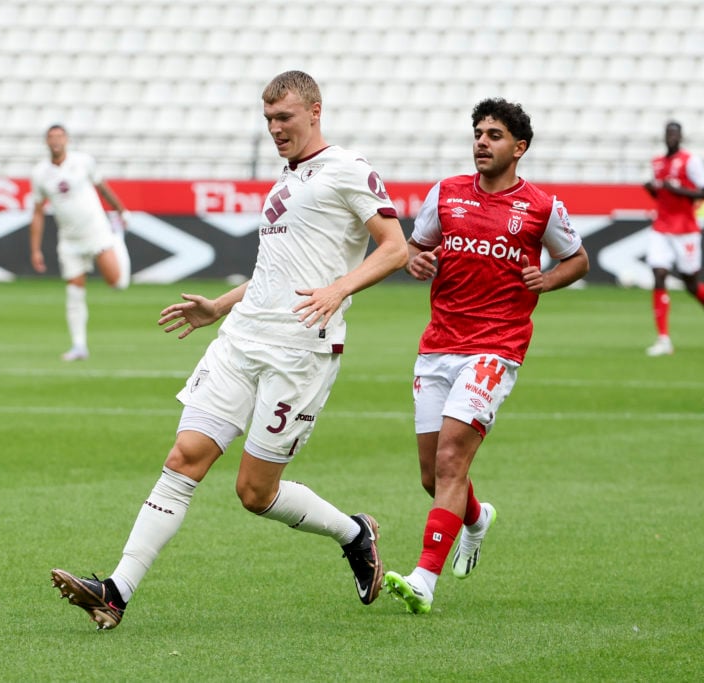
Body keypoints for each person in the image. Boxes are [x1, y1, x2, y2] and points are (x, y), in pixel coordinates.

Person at [50, 70, 408, 629]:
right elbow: (273, 275)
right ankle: (115, 591)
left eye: (284, 118)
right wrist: (219, 306)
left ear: (315, 111)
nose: (274, 129)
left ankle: (354, 532)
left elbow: (395, 248)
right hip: (240, 340)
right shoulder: (286, 181)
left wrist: (340, 288)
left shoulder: (348, 170)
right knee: (183, 459)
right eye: (267, 120)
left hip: (299, 351)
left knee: (253, 491)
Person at [383, 98, 589, 615]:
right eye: (478, 133)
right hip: (438, 346)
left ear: (518, 148)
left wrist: (549, 277)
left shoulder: (541, 206)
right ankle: (476, 520)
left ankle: (424, 580)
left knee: (453, 460)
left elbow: (577, 258)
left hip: (497, 347)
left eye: (494, 135)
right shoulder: (446, 193)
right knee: (433, 476)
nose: (481, 142)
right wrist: (417, 259)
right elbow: (415, 246)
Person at [29, 124, 132, 361]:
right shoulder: (40, 173)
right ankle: (79, 346)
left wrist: (120, 210)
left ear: (66, 140)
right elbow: (36, 212)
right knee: (74, 291)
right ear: (46, 142)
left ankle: (117, 237)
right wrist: (35, 249)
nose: (56, 141)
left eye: (60, 137)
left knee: (117, 284)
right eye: (51, 137)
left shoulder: (83, 162)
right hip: (69, 240)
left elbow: (102, 187)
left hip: (96, 233)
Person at [641, 120, 704, 357]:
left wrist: (677, 190)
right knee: (659, 273)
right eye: (668, 133)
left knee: (690, 282)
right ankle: (663, 339)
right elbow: (661, 194)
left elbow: (702, 191)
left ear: (681, 136)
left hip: (686, 229)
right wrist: (652, 189)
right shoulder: (657, 163)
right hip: (661, 227)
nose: (671, 137)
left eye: (675, 134)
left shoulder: (691, 161)